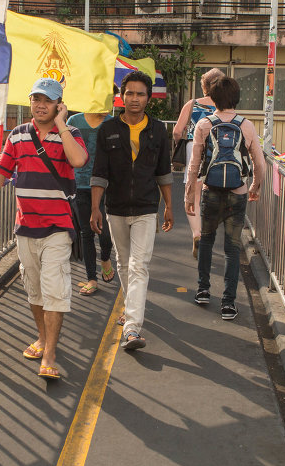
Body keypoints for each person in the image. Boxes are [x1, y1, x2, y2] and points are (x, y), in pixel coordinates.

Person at [0, 77, 87, 380]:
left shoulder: (70, 134)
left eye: (47, 100)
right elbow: (2, 169)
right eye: (36, 99)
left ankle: (49, 354)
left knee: (55, 291)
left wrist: (62, 124)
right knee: (34, 291)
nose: (40, 105)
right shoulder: (18, 135)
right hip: (25, 226)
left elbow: (78, 160)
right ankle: (43, 338)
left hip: (58, 228)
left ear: (59, 105)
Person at [91, 69, 174, 352]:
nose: (134, 98)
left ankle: (132, 328)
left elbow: (164, 171)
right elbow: (100, 173)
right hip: (115, 208)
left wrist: (169, 207)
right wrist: (95, 208)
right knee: (125, 265)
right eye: (129, 93)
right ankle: (130, 310)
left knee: (140, 266)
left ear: (149, 98)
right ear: (121, 97)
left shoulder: (159, 130)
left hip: (147, 208)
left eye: (140, 94)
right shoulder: (108, 130)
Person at [185, 75, 266, 321]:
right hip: (237, 193)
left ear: (213, 98)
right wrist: (255, 187)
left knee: (207, 242)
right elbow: (259, 163)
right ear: (236, 98)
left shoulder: (204, 124)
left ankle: (203, 290)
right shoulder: (247, 125)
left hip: (210, 191)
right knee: (232, 249)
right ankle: (229, 303)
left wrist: (190, 193)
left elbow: (194, 164)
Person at [173, 68, 225, 256]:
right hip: (218, 151)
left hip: (193, 149)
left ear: (203, 86)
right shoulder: (225, 105)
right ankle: (208, 234)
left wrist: (182, 143)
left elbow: (177, 131)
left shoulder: (193, 104)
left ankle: (197, 233)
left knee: (192, 194)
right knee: (213, 194)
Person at [67, 110, 115, 294]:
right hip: (79, 184)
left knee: (105, 232)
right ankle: (91, 279)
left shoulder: (112, 123)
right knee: (86, 232)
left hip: (105, 185)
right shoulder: (74, 120)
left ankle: (105, 257)